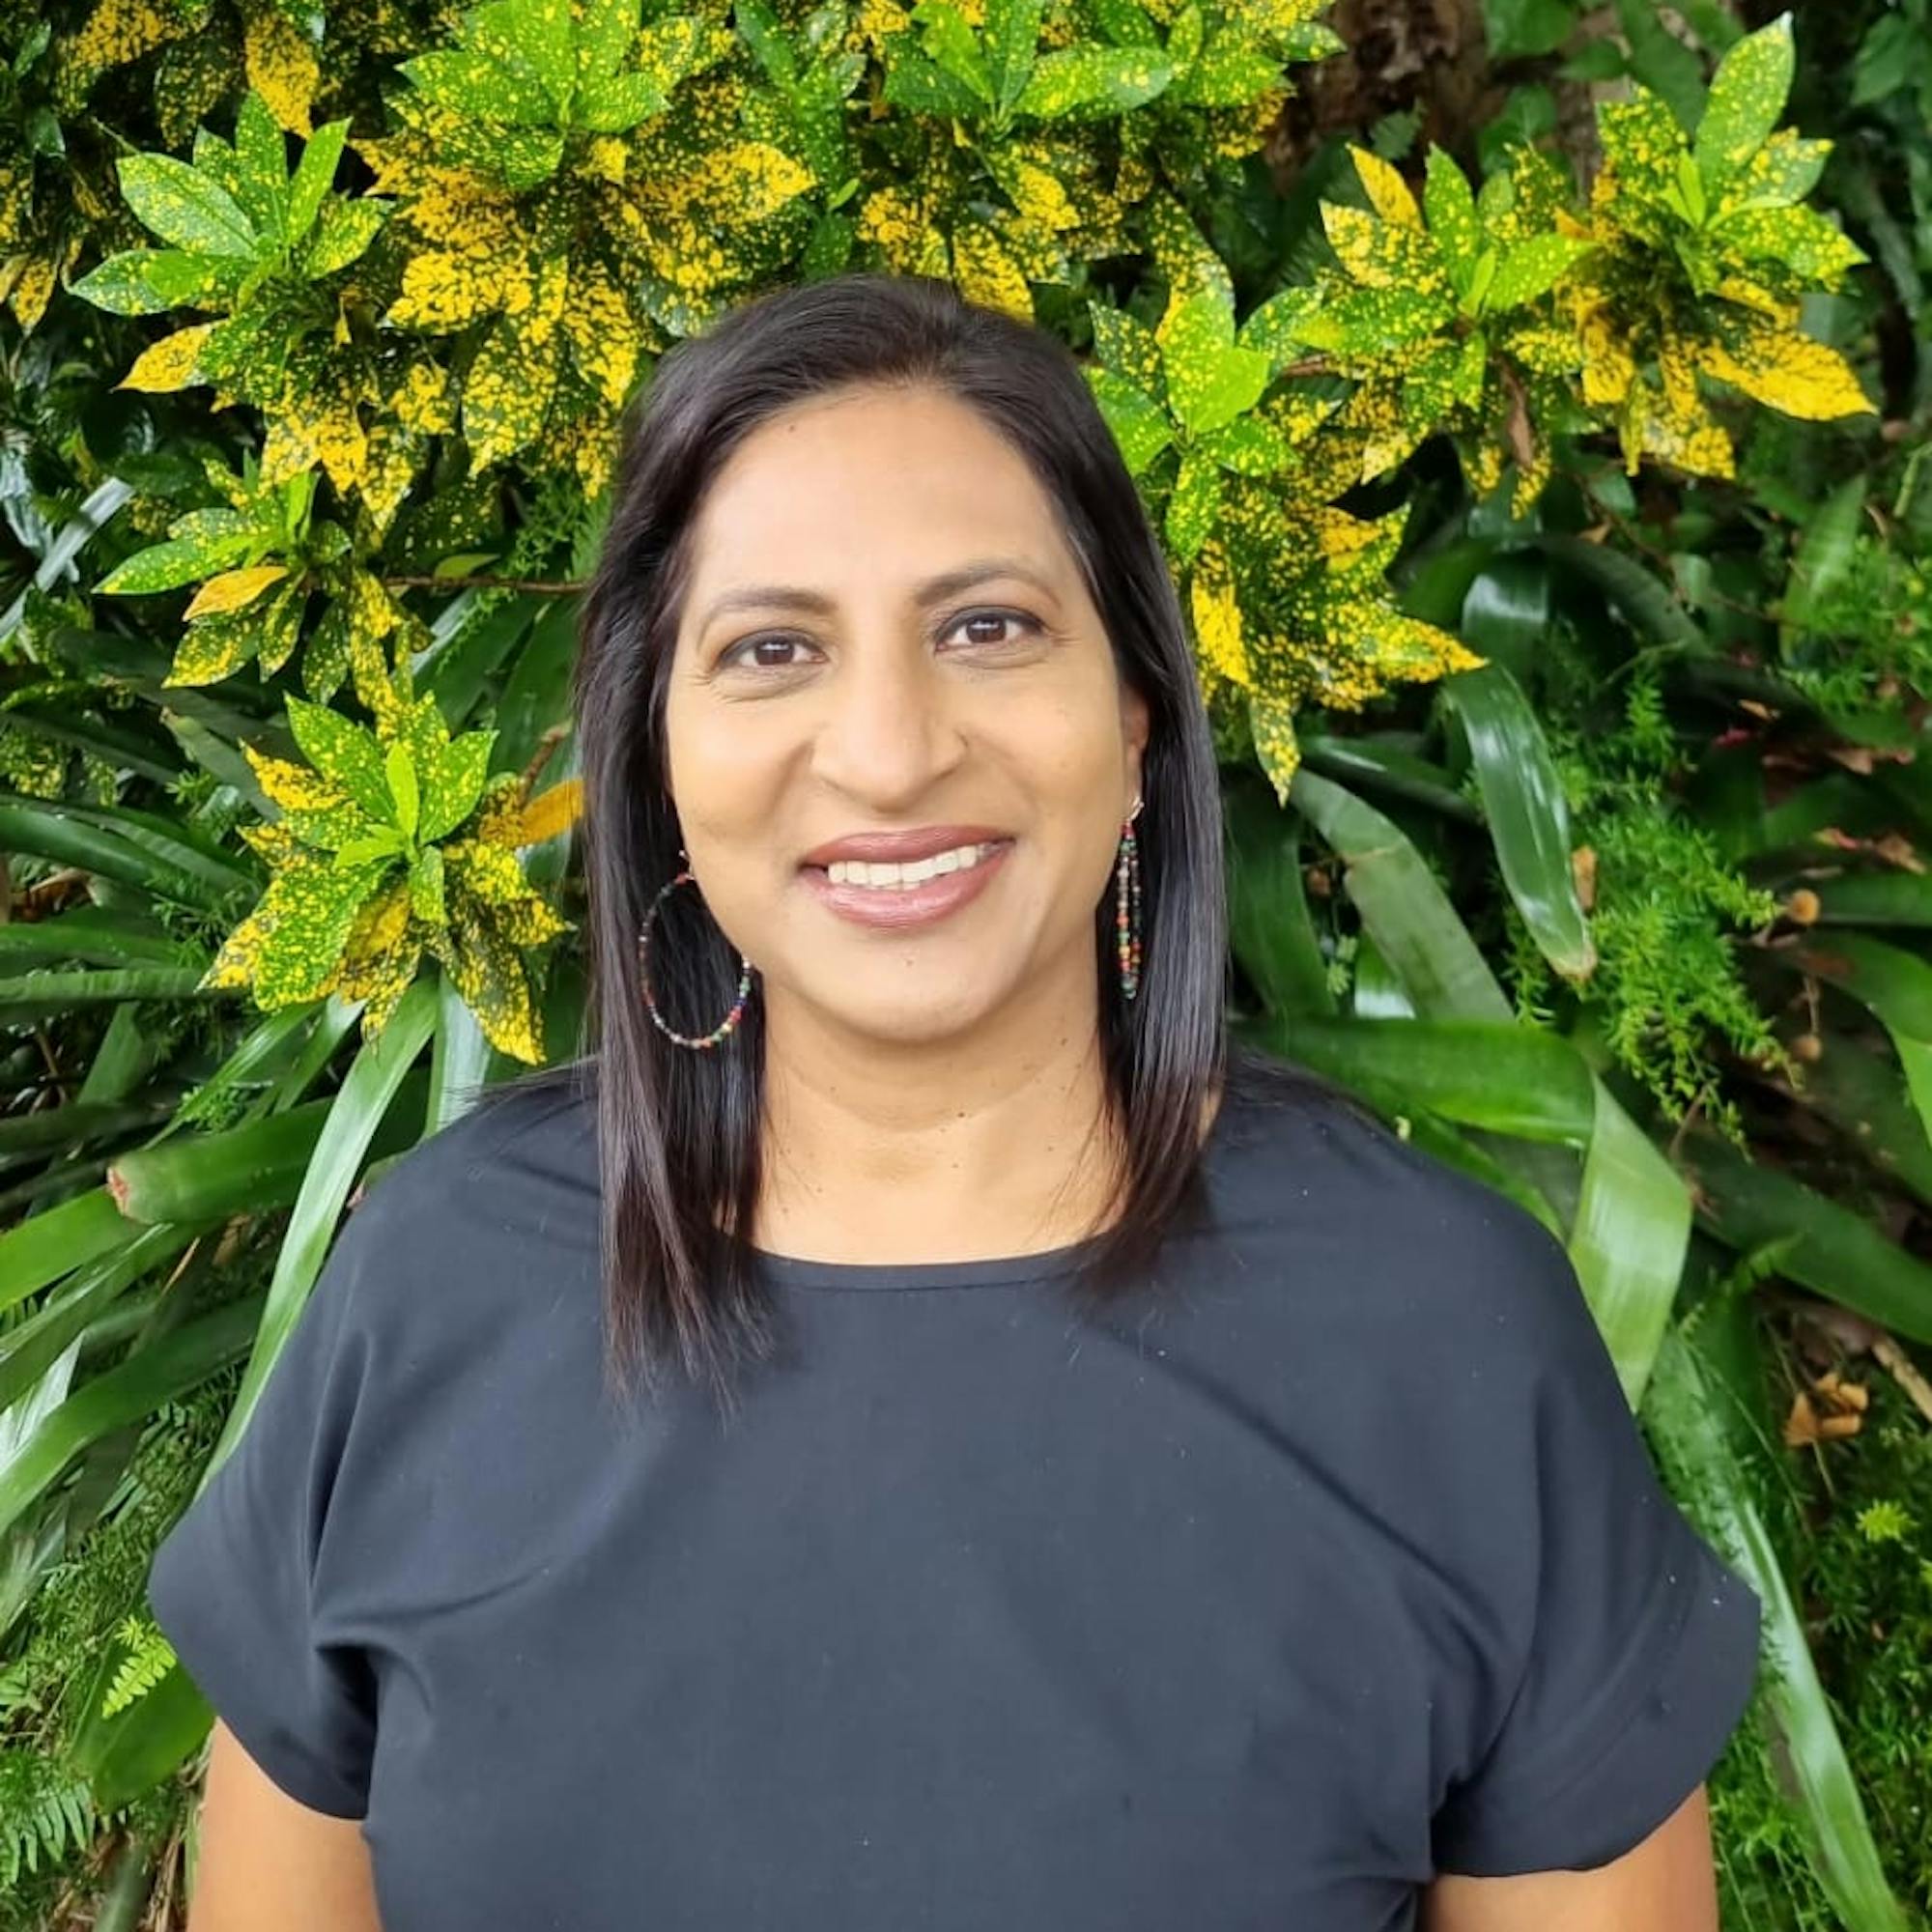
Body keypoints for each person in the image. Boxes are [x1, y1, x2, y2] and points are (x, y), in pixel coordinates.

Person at [148, 270, 1762, 1932]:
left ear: (1135, 717)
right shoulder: (437, 1285)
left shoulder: (1442, 1337)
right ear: (657, 754)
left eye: (986, 627)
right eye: (772, 648)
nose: (891, 751)